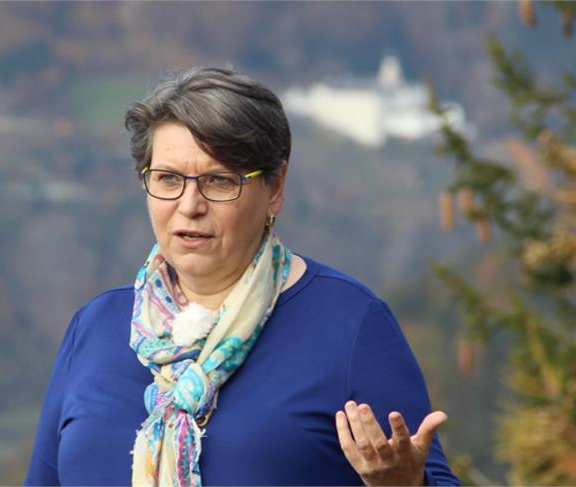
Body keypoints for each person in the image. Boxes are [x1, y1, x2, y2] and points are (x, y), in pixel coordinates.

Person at [24, 66, 460, 486]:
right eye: (168, 179)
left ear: (275, 187)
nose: (189, 205)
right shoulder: (96, 328)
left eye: (219, 181)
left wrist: (402, 486)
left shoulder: (349, 326)